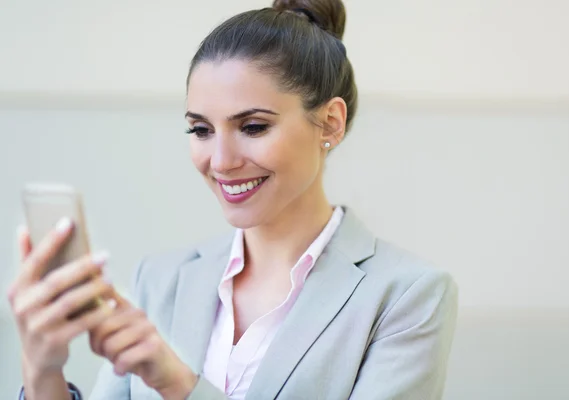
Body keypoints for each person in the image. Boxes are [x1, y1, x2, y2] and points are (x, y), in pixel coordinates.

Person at [7, 0, 459, 399]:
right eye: (201, 130)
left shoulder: (406, 297)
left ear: (330, 123)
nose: (220, 161)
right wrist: (43, 369)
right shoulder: (161, 280)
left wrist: (177, 384)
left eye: (253, 127)